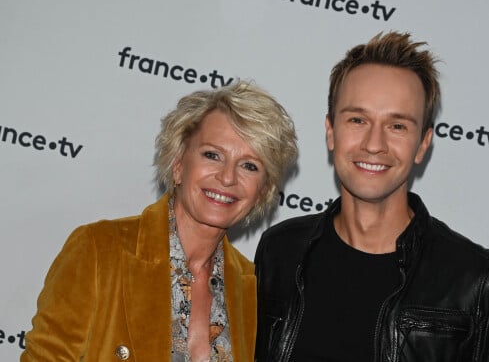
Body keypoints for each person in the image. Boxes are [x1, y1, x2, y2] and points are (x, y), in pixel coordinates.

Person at [254, 32, 489, 361]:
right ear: (330, 131)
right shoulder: (280, 251)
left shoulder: (475, 281)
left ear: (423, 143)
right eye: (357, 119)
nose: (374, 144)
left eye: (397, 126)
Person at [21, 80, 298, 362]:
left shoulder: (250, 285)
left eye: (249, 166)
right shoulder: (99, 250)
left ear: (262, 190)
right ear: (178, 165)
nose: (228, 177)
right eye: (212, 155)